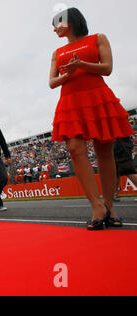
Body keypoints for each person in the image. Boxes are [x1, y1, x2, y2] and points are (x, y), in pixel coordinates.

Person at [50, 8, 135, 230]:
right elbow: (52, 82)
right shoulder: (57, 52)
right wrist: (67, 75)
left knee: (104, 152)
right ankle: (96, 206)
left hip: (97, 97)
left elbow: (107, 69)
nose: (54, 28)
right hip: (70, 102)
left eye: (57, 23)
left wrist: (82, 65)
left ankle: (109, 207)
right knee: (75, 149)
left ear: (70, 21)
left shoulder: (98, 38)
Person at [113, 137, 137, 204]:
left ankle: (115, 194)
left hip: (120, 145)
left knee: (129, 171)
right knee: (115, 172)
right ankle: (115, 194)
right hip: (121, 144)